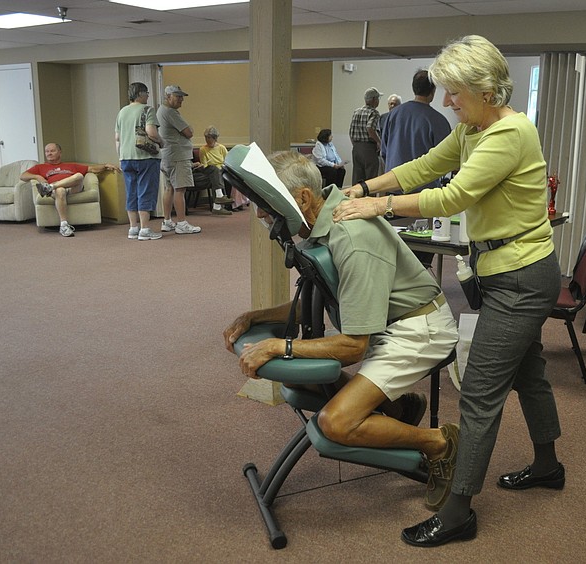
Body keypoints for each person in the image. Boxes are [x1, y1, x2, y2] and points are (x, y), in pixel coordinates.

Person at [332, 35, 563, 548]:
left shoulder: (510, 132)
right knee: (529, 372)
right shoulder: (473, 129)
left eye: (456, 91)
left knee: (479, 391)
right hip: (505, 269)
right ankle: (549, 465)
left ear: (483, 89)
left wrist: (383, 208)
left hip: (523, 277)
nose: (449, 101)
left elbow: (454, 194)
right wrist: (367, 188)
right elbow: (424, 168)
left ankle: (459, 511)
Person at [223, 150, 461, 513]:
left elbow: (353, 346)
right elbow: (318, 299)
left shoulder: (351, 237)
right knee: (303, 382)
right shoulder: (319, 224)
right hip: (383, 322)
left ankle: (439, 444)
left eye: (267, 204)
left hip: (418, 327)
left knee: (337, 423)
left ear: (302, 198)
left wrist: (279, 346)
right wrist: (256, 317)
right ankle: (394, 406)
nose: (260, 213)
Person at [21, 143, 120, 237]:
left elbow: (93, 169)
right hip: (57, 192)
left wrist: (106, 165)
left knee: (79, 176)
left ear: (60, 152)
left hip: (73, 188)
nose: (49, 153)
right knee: (60, 190)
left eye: (52, 151)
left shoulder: (71, 165)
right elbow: (23, 176)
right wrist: (37, 176)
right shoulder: (40, 167)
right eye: (47, 151)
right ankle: (64, 225)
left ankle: (50, 187)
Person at [380, 70, 452, 191]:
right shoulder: (438, 121)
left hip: (394, 186)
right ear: (432, 91)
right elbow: (446, 159)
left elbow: (384, 151)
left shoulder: (392, 115)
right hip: (423, 192)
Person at [114, 82, 164, 240]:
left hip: (125, 157)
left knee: (131, 192)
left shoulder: (122, 112)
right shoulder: (147, 109)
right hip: (145, 157)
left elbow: (117, 138)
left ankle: (133, 228)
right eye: (147, 93)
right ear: (141, 94)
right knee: (146, 191)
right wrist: (162, 142)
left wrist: (121, 156)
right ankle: (145, 229)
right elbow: (152, 133)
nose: (148, 96)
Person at [157, 85, 201, 234]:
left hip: (167, 156)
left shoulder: (161, 111)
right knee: (180, 189)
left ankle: (167, 221)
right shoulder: (170, 112)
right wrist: (190, 129)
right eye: (177, 96)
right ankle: (182, 223)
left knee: (168, 188)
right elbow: (189, 132)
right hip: (177, 156)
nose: (181, 100)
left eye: (182, 97)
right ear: (168, 97)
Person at [197, 126, 247, 214]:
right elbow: (204, 164)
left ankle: (234, 203)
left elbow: (227, 160)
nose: (207, 140)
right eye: (206, 138)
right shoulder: (202, 149)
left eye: (209, 138)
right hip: (211, 170)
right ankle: (222, 204)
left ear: (215, 138)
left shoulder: (221, 148)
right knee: (217, 174)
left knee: (231, 177)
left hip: (222, 168)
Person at [348, 87, 383, 185]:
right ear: (373, 100)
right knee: (370, 180)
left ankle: (355, 198)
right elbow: (370, 128)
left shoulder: (356, 111)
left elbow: (350, 131)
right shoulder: (374, 113)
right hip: (368, 148)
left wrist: (355, 145)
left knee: (357, 178)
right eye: (378, 99)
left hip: (356, 148)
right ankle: (369, 200)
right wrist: (379, 142)